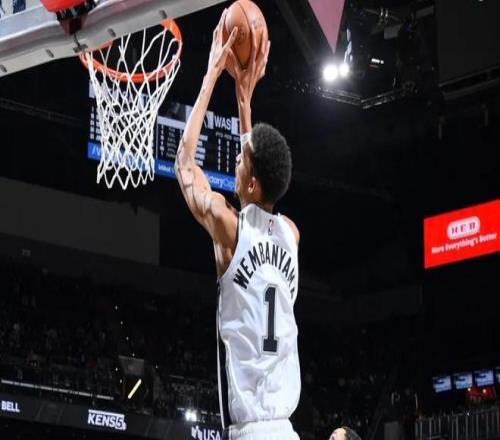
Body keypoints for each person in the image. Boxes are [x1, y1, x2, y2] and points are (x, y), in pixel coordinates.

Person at [175, 9, 301, 440]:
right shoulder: (291, 235)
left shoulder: (228, 228)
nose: (236, 157)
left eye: (242, 159)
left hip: (251, 431)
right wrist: (244, 102)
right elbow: (260, 190)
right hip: (286, 429)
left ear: (250, 181)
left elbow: (184, 165)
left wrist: (211, 75)